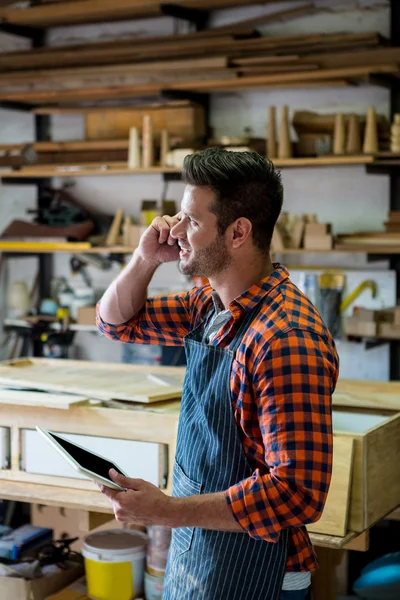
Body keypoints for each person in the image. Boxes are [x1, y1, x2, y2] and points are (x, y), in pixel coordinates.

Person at [96, 147, 339, 600]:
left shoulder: (284, 339)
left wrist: (167, 510)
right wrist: (146, 258)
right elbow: (115, 323)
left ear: (238, 232)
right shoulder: (209, 305)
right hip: (204, 550)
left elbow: (297, 493)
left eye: (191, 220)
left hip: (261, 574)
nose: (177, 231)